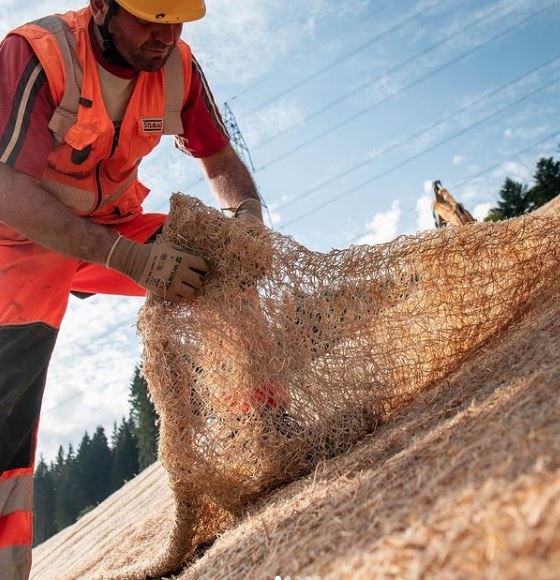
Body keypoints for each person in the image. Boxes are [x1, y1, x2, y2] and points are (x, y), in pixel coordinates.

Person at [0, 0, 264, 576]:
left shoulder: (179, 68)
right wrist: (129, 260)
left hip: (113, 224)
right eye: (150, 19)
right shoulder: (37, 53)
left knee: (228, 263)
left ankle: (263, 434)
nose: (165, 35)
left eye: (177, 20)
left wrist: (247, 218)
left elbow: (218, 157)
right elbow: (7, 187)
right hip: (16, 241)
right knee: (8, 403)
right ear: (101, 7)